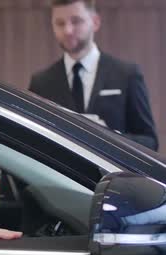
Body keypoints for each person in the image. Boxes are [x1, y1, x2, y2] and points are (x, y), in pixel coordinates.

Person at [28, 0, 158, 150]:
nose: (68, 30)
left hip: (113, 172)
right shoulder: (41, 82)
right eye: (60, 23)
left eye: (76, 21)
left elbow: (150, 142)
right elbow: (33, 141)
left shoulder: (127, 74)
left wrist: (110, 136)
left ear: (95, 22)